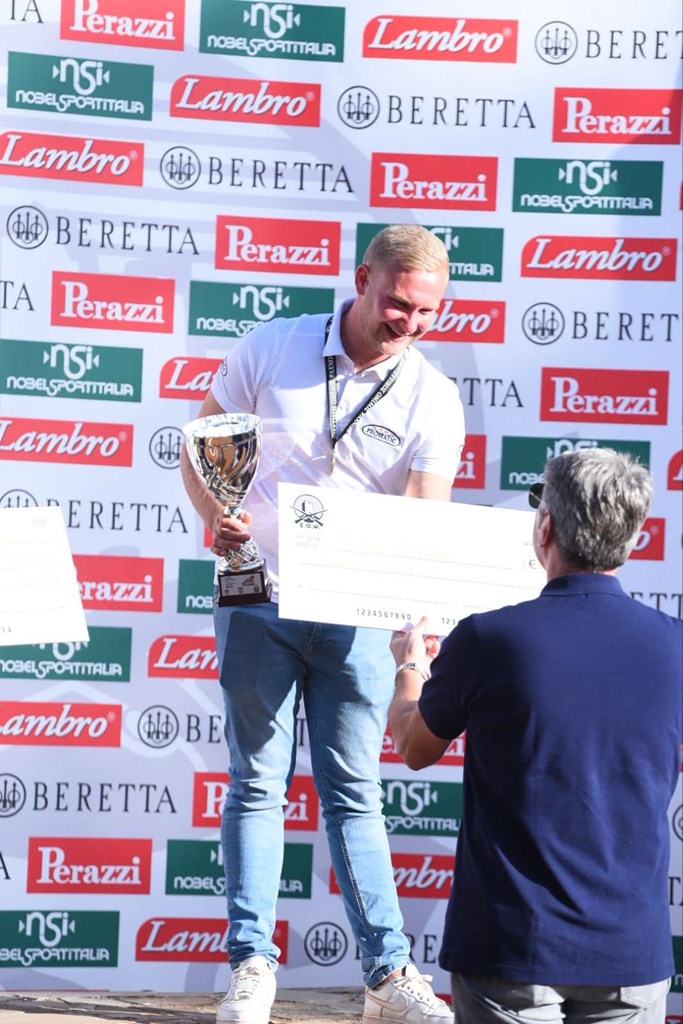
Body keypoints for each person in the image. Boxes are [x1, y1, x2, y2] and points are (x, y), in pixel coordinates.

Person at [180, 224, 466, 1024]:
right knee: (256, 784)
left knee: (354, 792)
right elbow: (201, 444)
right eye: (398, 304)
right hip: (255, 592)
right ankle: (250, 966)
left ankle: (386, 971)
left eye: (427, 311)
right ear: (362, 278)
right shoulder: (274, 345)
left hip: (358, 615)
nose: (410, 323)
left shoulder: (433, 396)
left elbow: (422, 523)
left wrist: (412, 635)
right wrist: (214, 515)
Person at [387, 447, 682, 1024]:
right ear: (632, 539)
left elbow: (414, 746)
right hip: (629, 955)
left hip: (510, 948)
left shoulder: (488, 639)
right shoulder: (674, 646)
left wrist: (410, 668)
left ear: (544, 528)